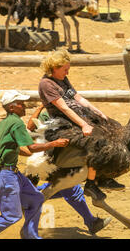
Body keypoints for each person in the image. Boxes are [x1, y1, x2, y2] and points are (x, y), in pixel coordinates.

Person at [0, 90, 69, 239]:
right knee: (11, 216)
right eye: (20, 104)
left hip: (9, 172)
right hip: (6, 175)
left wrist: (21, 151)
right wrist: (55, 143)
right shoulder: (17, 123)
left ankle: (30, 235)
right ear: (12, 108)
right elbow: (31, 147)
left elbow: (7, 145)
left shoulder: (5, 122)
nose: (24, 106)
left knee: (37, 198)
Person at [38, 49, 123, 201]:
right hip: (62, 124)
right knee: (96, 141)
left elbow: (77, 98)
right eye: (65, 70)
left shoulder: (62, 80)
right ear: (55, 68)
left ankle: (103, 176)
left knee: (112, 129)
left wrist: (98, 112)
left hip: (79, 117)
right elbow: (63, 107)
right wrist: (84, 125)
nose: (67, 73)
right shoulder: (46, 84)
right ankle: (91, 183)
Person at [27, 104, 111, 235]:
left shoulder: (72, 117)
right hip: (51, 160)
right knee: (72, 190)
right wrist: (39, 108)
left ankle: (25, 195)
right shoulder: (47, 116)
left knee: (66, 189)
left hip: (65, 160)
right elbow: (30, 127)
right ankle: (91, 222)